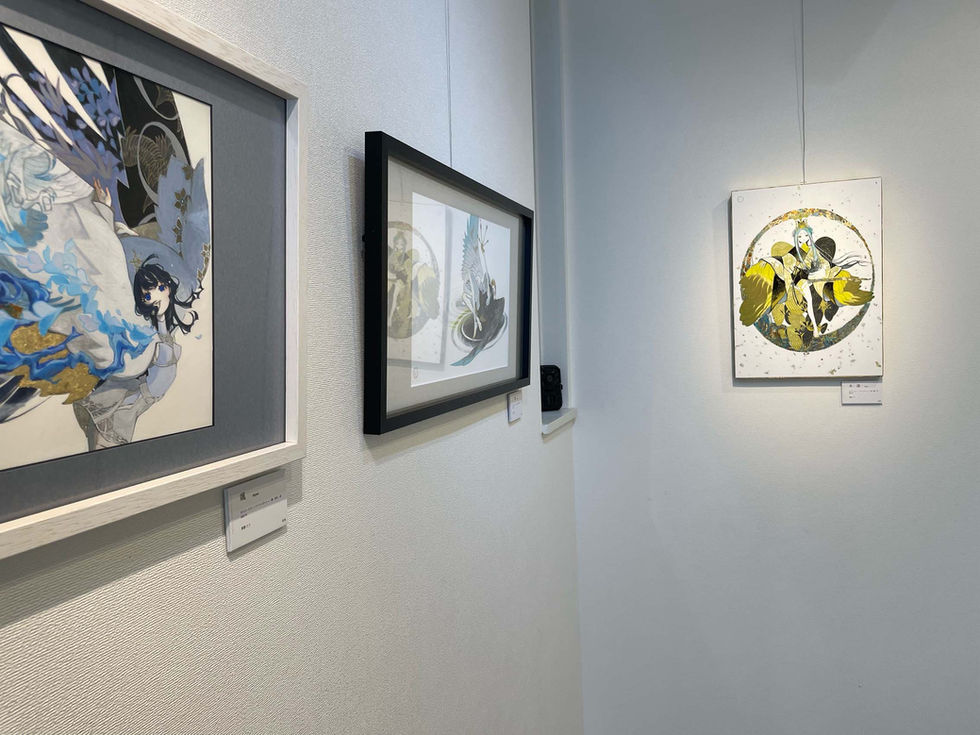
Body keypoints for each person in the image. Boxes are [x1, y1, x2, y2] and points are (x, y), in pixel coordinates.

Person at [72, 252, 200, 449]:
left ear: (168, 287)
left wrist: (161, 322)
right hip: (120, 403)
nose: (156, 297)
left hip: (130, 405)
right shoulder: (145, 335)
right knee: (101, 450)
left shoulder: (163, 334)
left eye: (161, 288)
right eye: (148, 295)